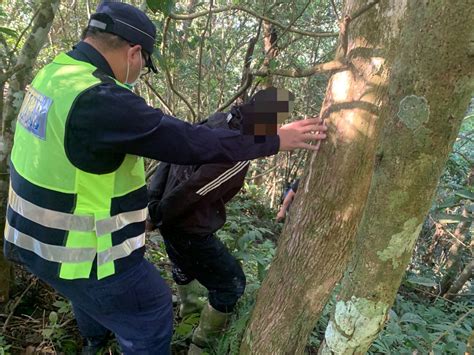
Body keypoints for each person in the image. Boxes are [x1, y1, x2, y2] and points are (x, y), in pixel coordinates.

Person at [3, 2, 327, 354]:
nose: (141, 69)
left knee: (89, 296)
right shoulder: (101, 99)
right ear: (134, 52)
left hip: (31, 240)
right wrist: (275, 141)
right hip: (80, 252)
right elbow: (186, 145)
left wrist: (149, 212)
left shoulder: (56, 73)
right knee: (153, 309)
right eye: (144, 62)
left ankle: (94, 342)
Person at [147, 88, 299, 352]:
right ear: (271, 123)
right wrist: (158, 215)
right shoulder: (238, 155)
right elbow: (194, 192)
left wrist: (153, 203)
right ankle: (200, 345)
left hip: (169, 216)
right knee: (231, 285)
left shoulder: (219, 119)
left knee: (184, 264)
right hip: (185, 226)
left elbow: (171, 157)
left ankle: (190, 313)